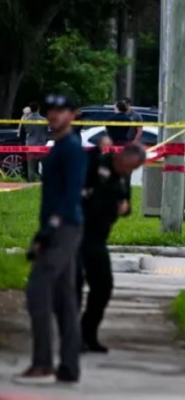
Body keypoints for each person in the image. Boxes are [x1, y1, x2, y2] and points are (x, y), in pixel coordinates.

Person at [15, 94, 87, 385]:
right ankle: (68, 367)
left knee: (37, 290)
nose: (55, 115)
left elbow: (72, 193)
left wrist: (51, 228)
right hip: (61, 227)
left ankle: (43, 362)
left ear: (73, 115)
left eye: (62, 111)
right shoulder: (59, 146)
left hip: (64, 228)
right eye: (51, 111)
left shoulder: (71, 148)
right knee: (65, 299)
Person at [77, 142, 146, 353]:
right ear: (121, 157)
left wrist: (124, 209)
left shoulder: (123, 177)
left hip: (98, 237)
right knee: (73, 288)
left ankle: (88, 334)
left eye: (133, 170)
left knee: (103, 287)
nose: (128, 172)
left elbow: (126, 203)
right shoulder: (97, 165)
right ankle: (72, 336)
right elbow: (85, 195)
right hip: (78, 234)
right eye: (128, 166)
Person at [22, 102, 48, 182]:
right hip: (41, 144)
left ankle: (31, 183)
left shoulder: (26, 120)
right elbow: (45, 130)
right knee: (44, 166)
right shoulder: (44, 120)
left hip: (30, 144)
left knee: (31, 167)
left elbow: (25, 131)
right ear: (38, 109)